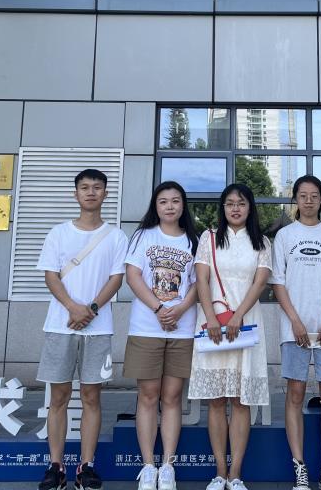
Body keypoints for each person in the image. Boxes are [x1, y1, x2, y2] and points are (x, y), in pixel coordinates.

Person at [36, 169, 128, 490]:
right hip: (60, 326)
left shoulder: (116, 236)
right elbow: (50, 276)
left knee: (91, 396)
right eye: (85, 187)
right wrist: (73, 308)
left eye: (97, 187)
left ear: (105, 194)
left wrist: (90, 310)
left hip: (98, 329)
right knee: (58, 397)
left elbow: (116, 279)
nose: (91, 192)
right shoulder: (58, 233)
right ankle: (56, 466)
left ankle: (86, 466)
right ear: (75, 193)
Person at [189, 183, 272, 490]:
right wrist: (210, 317)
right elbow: (201, 279)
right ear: (222, 208)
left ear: (250, 208)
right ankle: (219, 472)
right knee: (216, 400)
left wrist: (238, 316)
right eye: (230, 204)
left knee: (240, 400)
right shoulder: (208, 238)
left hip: (246, 323)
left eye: (241, 203)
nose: (235, 209)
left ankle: (235, 474)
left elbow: (260, 283)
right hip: (212, 325)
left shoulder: (261, 241)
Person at [272, 175, 321, 490]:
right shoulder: (284, 236)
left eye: (314, 195)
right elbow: (278, 282)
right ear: (295, 199)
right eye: (302, 195)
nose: (308, 200)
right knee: (295, 393)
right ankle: (300, 468)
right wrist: (295, 321)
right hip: (295, 331)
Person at [124, 181, 202, 490]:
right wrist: (159, 308)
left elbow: (198, 282)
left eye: (175, 201)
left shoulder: (194, 241)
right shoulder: (143, 236)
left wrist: (180, 309)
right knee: (147, 395)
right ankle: (147, 466)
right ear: (155, 206)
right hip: (146, 327)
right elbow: (133, 276)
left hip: (182, 329)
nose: (170, 206)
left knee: (172, 397)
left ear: (183, 206)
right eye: (163, 201)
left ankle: (168, 466)